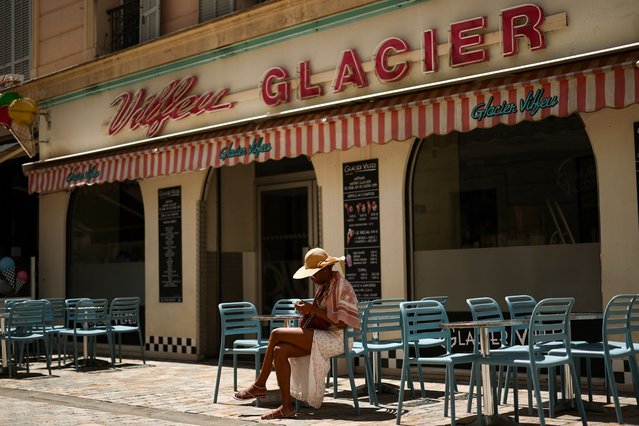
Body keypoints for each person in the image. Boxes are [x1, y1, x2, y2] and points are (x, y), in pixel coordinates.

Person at [233, 247, 360, 420]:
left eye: (313, 273)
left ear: (324, 269)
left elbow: (341, 324)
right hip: (323, 335)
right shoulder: (325, 286)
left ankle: (260, 384)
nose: (311, 277)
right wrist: (308, 311)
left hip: (337, 339)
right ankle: (286, 407)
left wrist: (313, 310)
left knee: (276, 333)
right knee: (280, 350)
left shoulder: (341, 287)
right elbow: (322, 318)